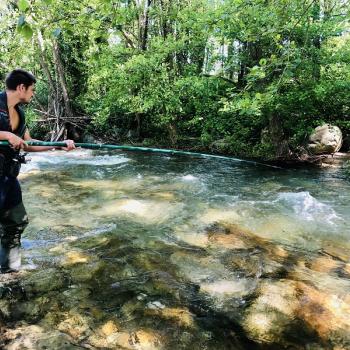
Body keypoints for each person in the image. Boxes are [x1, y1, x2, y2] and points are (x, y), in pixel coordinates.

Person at [0, 69, 75, 274]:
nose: (33, 94)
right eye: (32, 90)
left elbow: (28, 143)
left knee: (16, 222)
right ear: (21, 88)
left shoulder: (20, 113)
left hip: (8, 176)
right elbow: (9, 137)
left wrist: (57, 145)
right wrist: (6, 134)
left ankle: (9, 272)